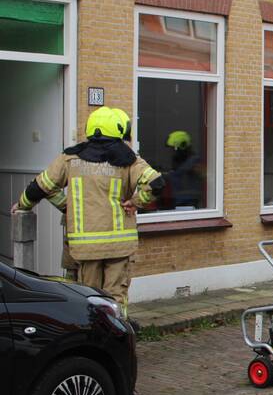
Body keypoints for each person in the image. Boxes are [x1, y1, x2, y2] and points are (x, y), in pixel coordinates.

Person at [10, 106, 163, 315]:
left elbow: (41, 186)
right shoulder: (130, 160)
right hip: (119, 245)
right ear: (118, 131)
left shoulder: (70, 158)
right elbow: (157, 184)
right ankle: (117, 336)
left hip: (85, 247)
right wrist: (137, 202)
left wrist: (24, 205)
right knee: (116, 296)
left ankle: (90, 339)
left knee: (88, 297)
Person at [164, 130, 203, 209]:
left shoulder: (194, 163)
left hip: (189, 204)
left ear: (181, 148)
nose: (171, 153)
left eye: (173, 149)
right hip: (177, 202)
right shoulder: (179, 163)